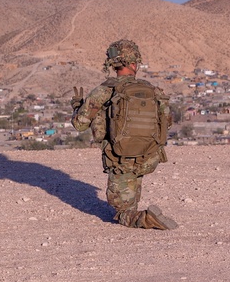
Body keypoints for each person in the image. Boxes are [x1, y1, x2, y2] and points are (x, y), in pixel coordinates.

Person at [71, 39, 178, 230]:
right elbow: (167, 122)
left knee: (120, 211)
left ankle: (143, 218)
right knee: (131, 189)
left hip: (119, 158)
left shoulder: (105, 90)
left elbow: (79, 124)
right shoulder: (152, 90)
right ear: (134, 63)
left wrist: (77, 107)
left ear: (112, 64)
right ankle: (135, 209)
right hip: (147, 157)